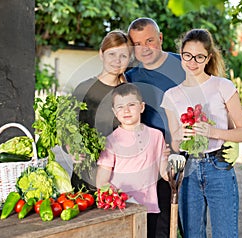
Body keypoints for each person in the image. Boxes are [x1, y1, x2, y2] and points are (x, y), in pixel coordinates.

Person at [161, 29, 242, 237]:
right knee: (193, 234)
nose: (193, 62)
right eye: (188, 55)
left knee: (225, 233)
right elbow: (175, 144)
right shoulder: (171, 96)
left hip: (218, 167)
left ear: (208, 57)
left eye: (199, 57)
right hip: (188, 170)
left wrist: (213, 131)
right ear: (181, 54)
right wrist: (179, 136)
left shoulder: (223, 86)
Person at [125, 17, 185, 237]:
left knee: (186, 221)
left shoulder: (184, 65)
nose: (144, 48)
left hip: (186, 155)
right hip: (152, 160)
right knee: (155, 224)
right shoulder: (130, 76)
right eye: (138, 44)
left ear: (160, 38)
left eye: (149, 40)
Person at [96, 83, 169, 238]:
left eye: (131, 104)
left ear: (142, 107)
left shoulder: (156, 136)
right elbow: (102, 181)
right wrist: (116, 199)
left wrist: (174, 164)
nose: (126, 110)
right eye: (120, 107)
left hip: (148, 208)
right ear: (114, 112)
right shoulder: (110, 140)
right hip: (121, 210)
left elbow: (164, 173)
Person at [70, 30, 133, 191]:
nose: (117, 61)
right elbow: (68, 128)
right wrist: (71, 148)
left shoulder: (130, 93)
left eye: (123, 56)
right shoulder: (84, 89)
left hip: (120, 178)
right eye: (112, 54)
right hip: (86, 176)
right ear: (101, 54)